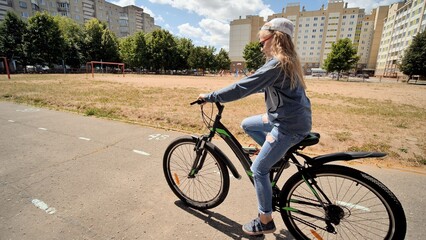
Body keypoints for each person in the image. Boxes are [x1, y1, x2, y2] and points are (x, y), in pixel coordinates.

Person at [198, 18, 312, 236]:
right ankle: (276, 158)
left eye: (262, 42)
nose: (261, 46)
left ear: (274, 38)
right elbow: (268, 87)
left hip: (287, 126)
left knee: (258, 169)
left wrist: (211, 97)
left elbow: (242, 87)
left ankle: (265, 220)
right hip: (290, 118)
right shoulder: (288, 61)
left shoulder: (278, 63)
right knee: (247, 124)